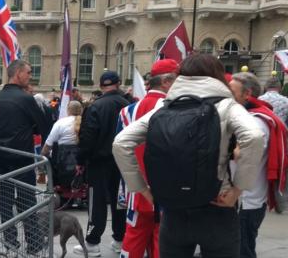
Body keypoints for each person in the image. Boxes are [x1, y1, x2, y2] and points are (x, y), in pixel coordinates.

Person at [113, 54, 265, 258]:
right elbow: (254, 137)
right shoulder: (227, 106)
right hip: (217, 203)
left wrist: (143, 190)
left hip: (174, 207)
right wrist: (238, 189)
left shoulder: (164, 106)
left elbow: (121, 143)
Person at [116, 59, 179, 258]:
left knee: (133, 239)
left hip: (136, 190)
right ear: (167, 81)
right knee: (163, 241)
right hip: (166, 189)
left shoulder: (127, 111)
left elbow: (120, 150)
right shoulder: (174, 107)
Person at [0, 59, 49, 254]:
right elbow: (43, 125)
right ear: (18, 74)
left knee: (5, 201)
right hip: (21, 158)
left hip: (1, 157)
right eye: (29, 73)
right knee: (26, 200)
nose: (30, 76)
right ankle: (33, 243)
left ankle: (10, 242)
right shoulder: (25, 98)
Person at [230, 72, 287, 258]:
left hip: (246, 201)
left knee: (243, 251)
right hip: (245, 199)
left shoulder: (254, 122)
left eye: (231, 91)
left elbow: (245, 155)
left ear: (246, 94)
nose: (227, 96)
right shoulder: (251, 117)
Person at [73, 70, 129, 256]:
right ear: (118, 83)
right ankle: (120, 239)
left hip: (99, 161)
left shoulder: (96, 106)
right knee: (119, 200)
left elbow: (87, 137)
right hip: (122, 160)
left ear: (101, 85)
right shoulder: (128, 105)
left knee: (96, 201)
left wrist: (80, 160)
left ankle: (92, 241)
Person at [41, 100, 82, 190]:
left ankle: (53, 186)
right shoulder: (86, 122)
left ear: (68, 110)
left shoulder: (60, 123)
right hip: (82, 163)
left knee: (47, 160)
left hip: (63, 163)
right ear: (81, 110)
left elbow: (48, 144)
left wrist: (42, 155)